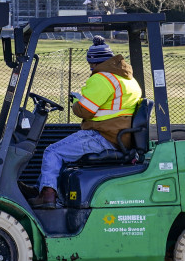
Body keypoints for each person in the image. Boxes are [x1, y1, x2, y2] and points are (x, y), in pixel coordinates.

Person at [30, 36, 142, 209]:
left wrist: (76, 103)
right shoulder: (128, 79)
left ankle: (47, 196)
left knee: (52, 152)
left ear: (94, 63)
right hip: (118, 136)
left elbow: (84, 110)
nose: (91, 68)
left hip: (103, 137)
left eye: (91, 65)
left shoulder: (102, 79)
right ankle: (41, 189)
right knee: (61, 153)